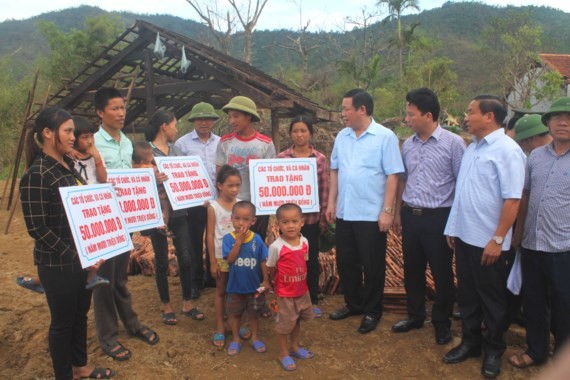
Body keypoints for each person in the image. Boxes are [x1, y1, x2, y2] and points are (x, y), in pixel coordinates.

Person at [20, 107, 114, 380]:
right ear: (48, 133)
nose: (73, 137)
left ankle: (80, 366)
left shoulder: (69, 166)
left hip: (81, 258)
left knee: (80, 315)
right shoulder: (37, 174)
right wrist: (76, 255)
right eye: (68, 131)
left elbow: (84, 208)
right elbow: (37, 228)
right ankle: (64, 374)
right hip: (57, 262)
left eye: (73, 131)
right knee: (62, 323)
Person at [443, 95, 526, 378]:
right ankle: (471, 342)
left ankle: (493, 349)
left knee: (492, 298)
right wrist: (453, 228)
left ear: (489, 117)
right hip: (466, 237)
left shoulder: (508, 151)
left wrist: (498, 239)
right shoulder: (472, 148)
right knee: (467, 295)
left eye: (470, 111)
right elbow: (464, 192)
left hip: (489, 242)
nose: (465, 117)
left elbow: (513, 200)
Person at [326, 89, 404, 334]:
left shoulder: (385, 137)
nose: (342, 114)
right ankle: (353, 303)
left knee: (372, 265)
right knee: (346, 261)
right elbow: (335, 170)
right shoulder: (342, 136)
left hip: (371, 213)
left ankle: (372, 310)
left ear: (362, 109)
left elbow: (393, 174)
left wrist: (388, 210)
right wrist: (331, 203)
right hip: (345, 211)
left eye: (346, 108)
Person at [391, 88, 465, 344]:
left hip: (439, 217)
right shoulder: (408, 145)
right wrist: (399, 213)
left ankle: (441, 323)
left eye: (411, 115)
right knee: (412, 268)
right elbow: (403, 179)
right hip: (411, 215)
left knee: (442, 272)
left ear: (429, 115)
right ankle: (415, 316)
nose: (407, 119)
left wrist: (454, 223)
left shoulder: (454, 144)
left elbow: (461, 184)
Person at [93, 87, 158, 361]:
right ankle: (108, 336)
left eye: (123, 108)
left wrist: (151, 178)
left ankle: (131, 323)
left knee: (119, 275)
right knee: (103, 279)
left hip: (125, 219)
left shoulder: (128, 143)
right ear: (100, 112)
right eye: (114, 108)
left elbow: (133, 178)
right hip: (102, 220)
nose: (121, 113)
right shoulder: (91, 143)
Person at [509, 97, 570, 369]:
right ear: (548, 123)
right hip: (533, 243)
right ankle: (536, 351)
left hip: (564, 247)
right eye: (557, 118)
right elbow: (525, 194)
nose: (563, 123)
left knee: (564, 306)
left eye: (568, 118)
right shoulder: (535, 157)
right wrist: (519, 233)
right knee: (533, 302)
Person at [145, 109, 205, 325]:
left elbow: (187, 176)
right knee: (161, 259)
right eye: (174, 124)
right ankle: (166, 305)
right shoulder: (146, 151)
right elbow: (135, 176)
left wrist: (200, 193)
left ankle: (187, 302)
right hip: (157, 211)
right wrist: (151, 176)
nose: (176, 129)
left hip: (179, 210)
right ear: (164, 126)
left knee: (186, 257)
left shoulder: (176, 150)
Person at [277, 115, 329, 318]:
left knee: (311, 259)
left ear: (310, 133)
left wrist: (324, 214)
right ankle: (289, 297)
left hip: (310, 218)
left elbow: (324, 187)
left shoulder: (319, 159)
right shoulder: (282, 159)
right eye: (295, 131)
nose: (299, 135)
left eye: (303, 131)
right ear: (290, 134)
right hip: (289, 221)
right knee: (288, 260)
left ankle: (312, 298)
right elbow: (276, 186)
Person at [175, 102, 221, 297]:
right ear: (193, 121)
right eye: (200, 119)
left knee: (216, 238)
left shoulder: (221, 142)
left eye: (208, 118)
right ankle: (195, 281)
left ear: (213, 121)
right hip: (192, 202)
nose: (204, 122)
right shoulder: (181, 144)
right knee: (194, 240)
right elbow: (176, 172)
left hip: (216, 201)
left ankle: (212, 277)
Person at [215, 96, 276, 241]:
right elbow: (219, 175)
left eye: (236, 116)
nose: (232, 121)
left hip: (258, 207)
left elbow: (271, 177)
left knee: (256, 243)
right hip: (232, 205)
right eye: (230, 117)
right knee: (232, 245)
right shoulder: (225, 142)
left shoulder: (265, 144)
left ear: (249, 116)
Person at [267, 203, 315, 371]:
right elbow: (271, 267)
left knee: (297, 320)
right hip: (285, 293)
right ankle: (284, 353)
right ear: (278, 224)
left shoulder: (305, 242)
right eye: (285, 222)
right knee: (284, 325)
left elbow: (304, 262)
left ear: (302, 222)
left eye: (294, 221)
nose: (290, 226)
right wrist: (273, 284)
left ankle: (294, 347)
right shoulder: (276, 247)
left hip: (302, 290)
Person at [223, 201, 269, 356]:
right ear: (231, 218)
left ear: (253, 221)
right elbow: (229, 259)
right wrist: (238, 242)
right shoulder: (228, 239)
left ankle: (255, 338)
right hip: (235, 286)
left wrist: (266, 280)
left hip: (254, 286)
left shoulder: (257, 239)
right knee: (235, 314)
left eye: (245, 219)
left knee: (253, 314)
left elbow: (263, 260)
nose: (240, 223)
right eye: (237, 219)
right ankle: (236, 339)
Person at [72, 116, 110, 290]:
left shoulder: (95, 155)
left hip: (95, 203)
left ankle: (92, 276)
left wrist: (97, 158)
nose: (89, 141)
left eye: (91, 136)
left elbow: (103, 179)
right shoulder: (70, 158)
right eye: (84, 137)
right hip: (79, 204)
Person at [206, 165, 242, 348]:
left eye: (237, 185)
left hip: (240, 256)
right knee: (221, 290)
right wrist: (213, 261)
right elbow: (210, 235)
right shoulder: (213, 207)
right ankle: (220, 326)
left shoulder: (242, 204)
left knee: (237, 290)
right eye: (230, 185)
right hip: (221, 256)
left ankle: (235, 322)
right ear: (220, 186)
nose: (235, 189)